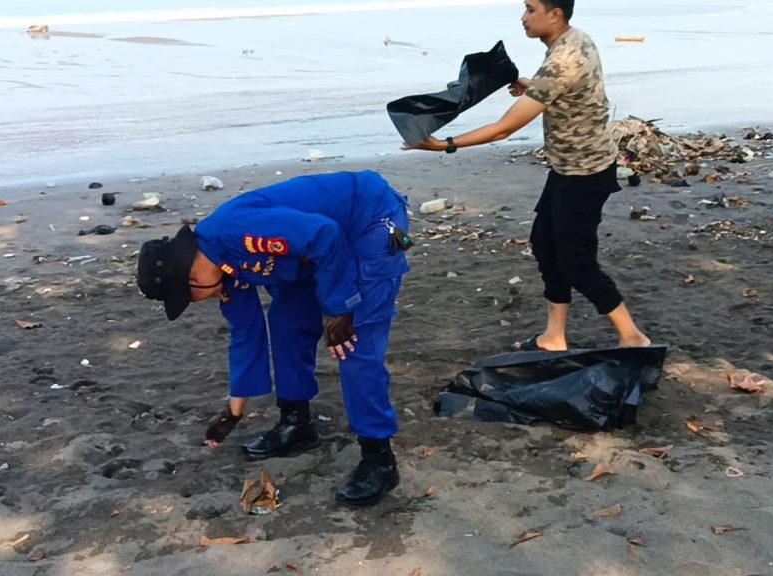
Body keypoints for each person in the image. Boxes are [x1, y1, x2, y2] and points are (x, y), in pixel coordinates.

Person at [136, 170, 412, 506]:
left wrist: (339, 308)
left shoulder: (234, 233)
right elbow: (245, 335)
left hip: (367, 217)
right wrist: (233, 411)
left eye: (190, 296)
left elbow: (325, 233)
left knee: (352, 345)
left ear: (193, 274)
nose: (202, 300)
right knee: (285, 323)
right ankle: (296, 423)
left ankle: (379, 458)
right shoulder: (220, 268)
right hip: (316, 250)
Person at [405, 0, 649, 352]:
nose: (523, 16)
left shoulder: (563, 59)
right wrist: (532, 86)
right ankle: (554, 336)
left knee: (576, 262)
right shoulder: (575, 40)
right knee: (545, 245)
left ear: (555, 13)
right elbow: (570, 87)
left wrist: (445, 145)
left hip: (585, 173)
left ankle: (632, 336)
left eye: (531, 8)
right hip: (568, 167)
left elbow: (505, 129)